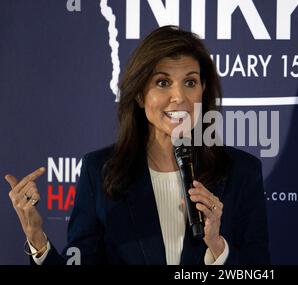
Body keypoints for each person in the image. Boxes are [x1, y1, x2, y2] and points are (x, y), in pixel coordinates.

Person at [5, 25, 270, 265]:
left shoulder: (241, 172)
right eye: (163, 82)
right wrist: (37, 238)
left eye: (190, 82)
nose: (179, 97)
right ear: (141, 96)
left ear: (203, 90)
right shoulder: (100, 171)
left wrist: (217, 246)